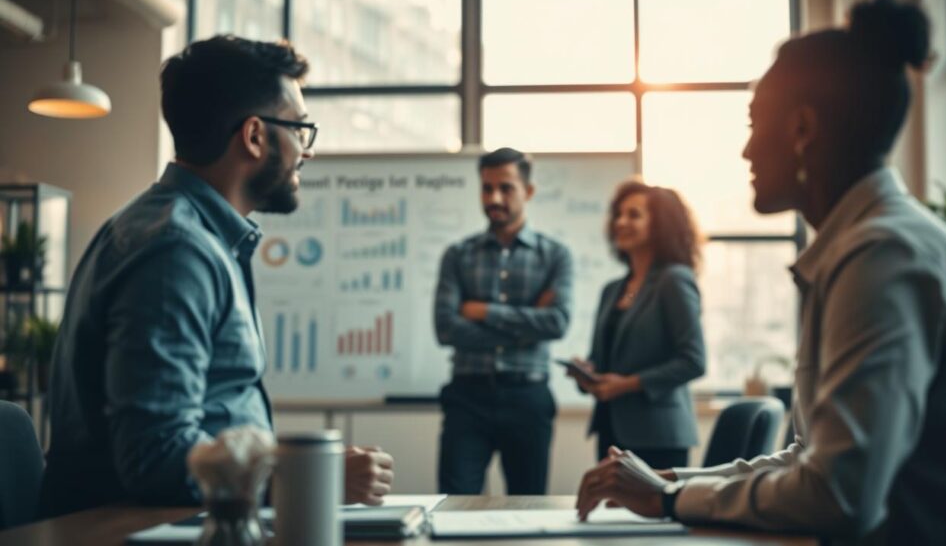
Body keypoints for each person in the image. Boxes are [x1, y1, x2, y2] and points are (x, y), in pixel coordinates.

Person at [575, 0, 946, 545]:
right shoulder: (873, 242)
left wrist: (668, 499)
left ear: (802, 130)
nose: (745, 151)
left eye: (755, 124)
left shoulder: (882, 255)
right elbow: (808, 458)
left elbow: (838, 493)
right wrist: (675, 481)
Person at [40, 36, 394, 517]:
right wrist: (311, 475)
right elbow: (155, 455)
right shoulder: (175, 252)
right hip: (143, 529)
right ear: (254, 136)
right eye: (300, 129)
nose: (306, 153)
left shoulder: (183, 234)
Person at [433, 147, 573, 495]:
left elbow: (556, 323)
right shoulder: (458, 255)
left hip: (529, 397)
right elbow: (446, 328)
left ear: (528, 191)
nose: (494, 197)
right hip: (467, 396)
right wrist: (527, 326)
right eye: (486, 188)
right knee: (454, 504)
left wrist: (484, 312)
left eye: (506, 188)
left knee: (528, 508)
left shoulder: (555, 256)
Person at [567, 180, 705, 469]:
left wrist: (626, 385)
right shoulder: (612, 289)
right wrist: (589, 374)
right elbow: (603, 360)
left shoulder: (674, 280)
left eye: (634, 215)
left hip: (659, 435)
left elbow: (693, 361)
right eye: (618, 214)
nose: (621, 222)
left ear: (660, 226)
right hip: (611, 431)